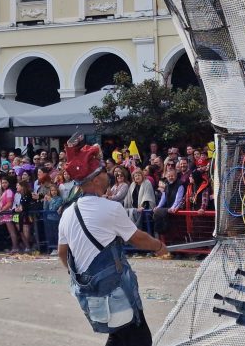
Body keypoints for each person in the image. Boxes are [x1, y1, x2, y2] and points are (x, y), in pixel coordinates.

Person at [57, 135, 168, 346]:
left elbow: (63, 253)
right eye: (103, 171)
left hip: (91, 298)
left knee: (117, 339)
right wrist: (159, 246)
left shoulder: (68, 213)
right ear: (95, 179)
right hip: (117, 295)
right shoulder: (110, 208)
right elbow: (138, 238)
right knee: (140, 340)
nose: (108, 174)